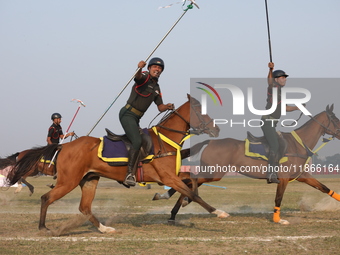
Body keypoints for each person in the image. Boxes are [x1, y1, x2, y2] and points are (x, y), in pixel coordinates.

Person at [120, 58, 174, 186]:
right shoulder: (144, 76)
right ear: (149, 68)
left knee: (146, 140)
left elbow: (160, 107)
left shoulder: (156, 87)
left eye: (160, 68)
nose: (157, 69)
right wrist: (139, 67)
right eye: (155, 67)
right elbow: (137, 77)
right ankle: (129, 174)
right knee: (137, 141)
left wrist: (167, 106)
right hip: (127, 114)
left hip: (136, 118)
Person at [261, 62, 301, 184]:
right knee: (275, 146)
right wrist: (270, 69)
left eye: (285, 78)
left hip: (273, 124)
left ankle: (277, 169)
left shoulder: (280, 93)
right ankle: (271, 174)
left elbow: (286, 108)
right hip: (267, 122)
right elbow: (269, 81)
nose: (285, 80)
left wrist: (298, 107)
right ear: (277, 79)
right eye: (283, 78)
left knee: (282, 143)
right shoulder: (273, 88)